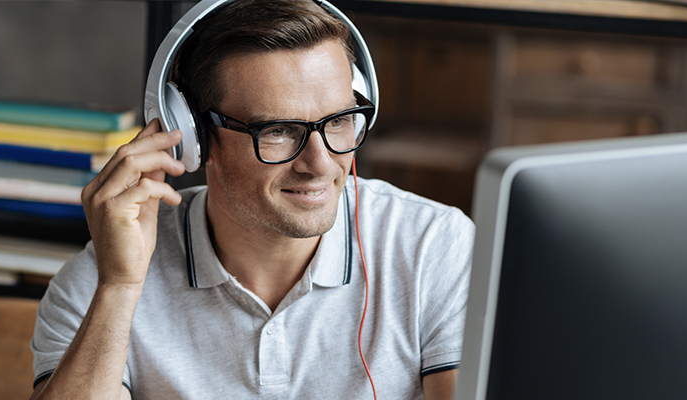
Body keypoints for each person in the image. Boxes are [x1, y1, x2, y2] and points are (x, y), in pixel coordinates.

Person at [29, 1, 474, 399]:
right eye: (278, 130)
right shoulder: (100, 282)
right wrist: (120, 288)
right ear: (194, 139)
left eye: (339, 121)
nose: (320, 164)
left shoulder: (433, 247)